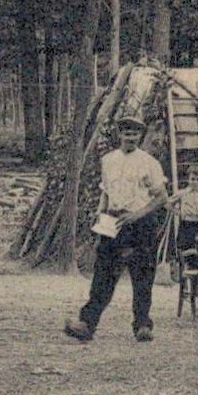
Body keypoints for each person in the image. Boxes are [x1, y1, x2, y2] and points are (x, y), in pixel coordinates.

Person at [64, 115, 168, 343]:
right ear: (119, 135)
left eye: (134, 134)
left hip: (140, 224)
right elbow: (106, 192)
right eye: (126, 133)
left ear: (140, 136)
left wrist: (136, 215)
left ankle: (142, 325)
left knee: (142, 275)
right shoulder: (108, 160)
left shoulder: (149, 163)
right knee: (103, 274)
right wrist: (100, 215)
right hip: (112, 222)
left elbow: (161, 198)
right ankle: (86, 324)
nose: (130, 138)